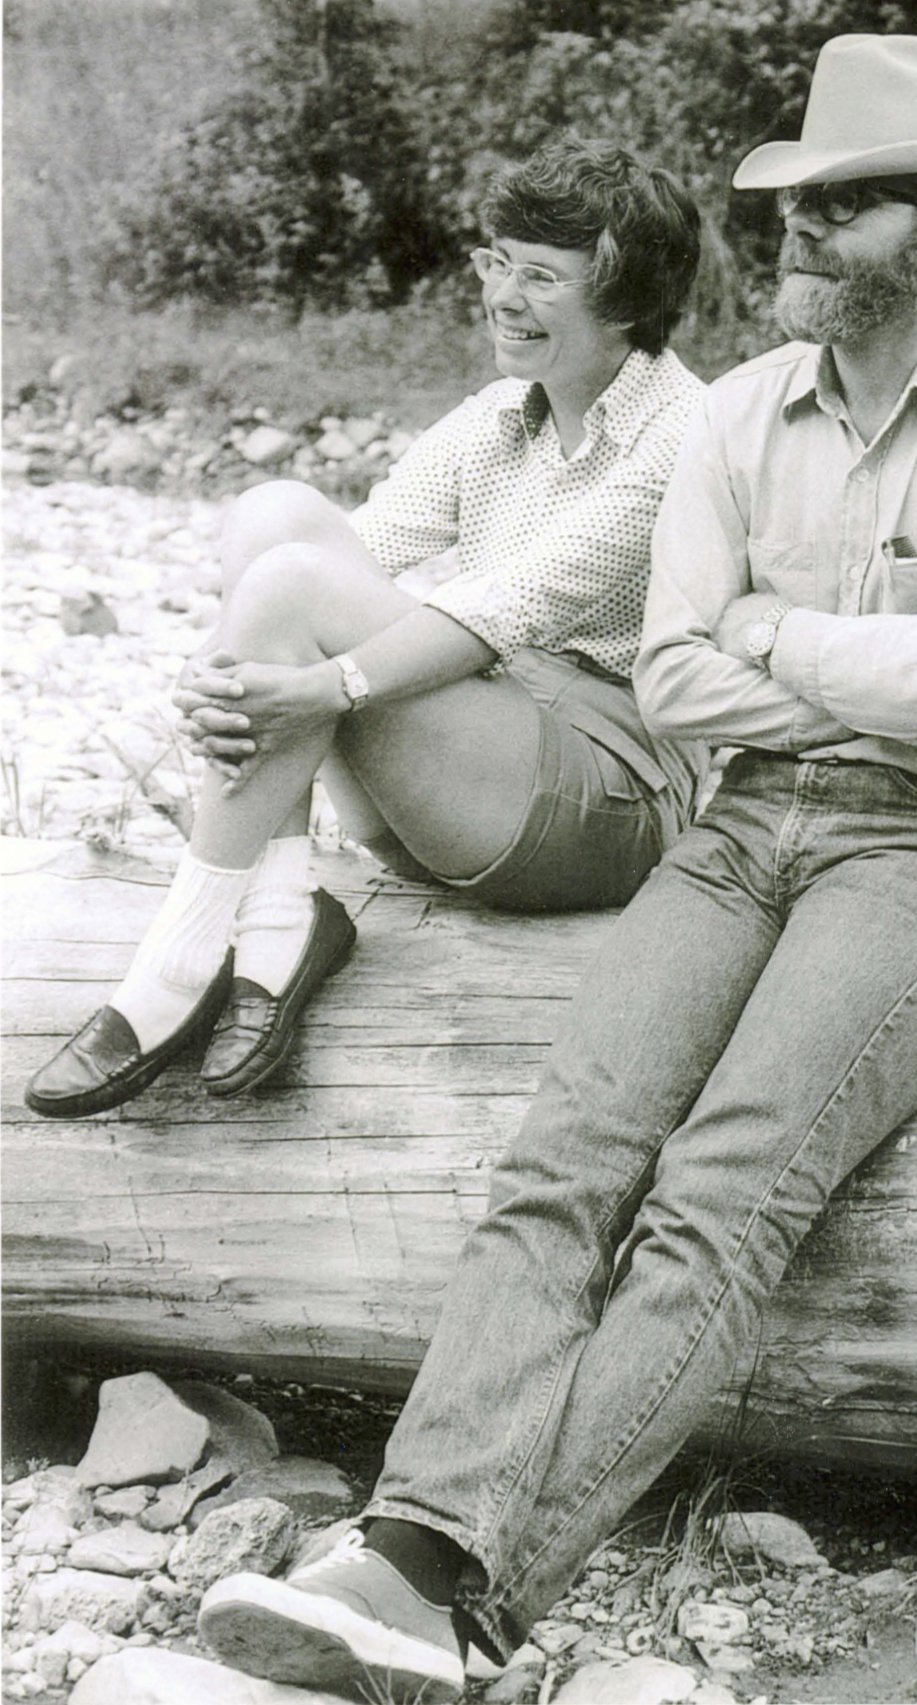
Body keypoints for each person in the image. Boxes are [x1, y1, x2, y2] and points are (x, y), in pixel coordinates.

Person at [197, 32, 917, 1701]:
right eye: (792, 201)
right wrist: (856, 656)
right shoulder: (741, 414)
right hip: (742, 818)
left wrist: (774, 631)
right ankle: (411, 1546)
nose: (795, 230)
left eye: (841, 208)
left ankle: (466, 1594)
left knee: (719, 1199)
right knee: (562, 1162)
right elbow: (679, 676)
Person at [25, 136, 712, 1118]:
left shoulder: (686, 430)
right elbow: (351, 550)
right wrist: (214, 671)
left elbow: (512, 604)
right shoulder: (496, 417)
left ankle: (179, 958)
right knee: (274, 516)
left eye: (540, 277)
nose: (502, 296)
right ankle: (277, 908)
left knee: (296, 585)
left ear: (628, 301)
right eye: (497, 264)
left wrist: (324, 685)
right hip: (475, 767)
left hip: (604, 800)